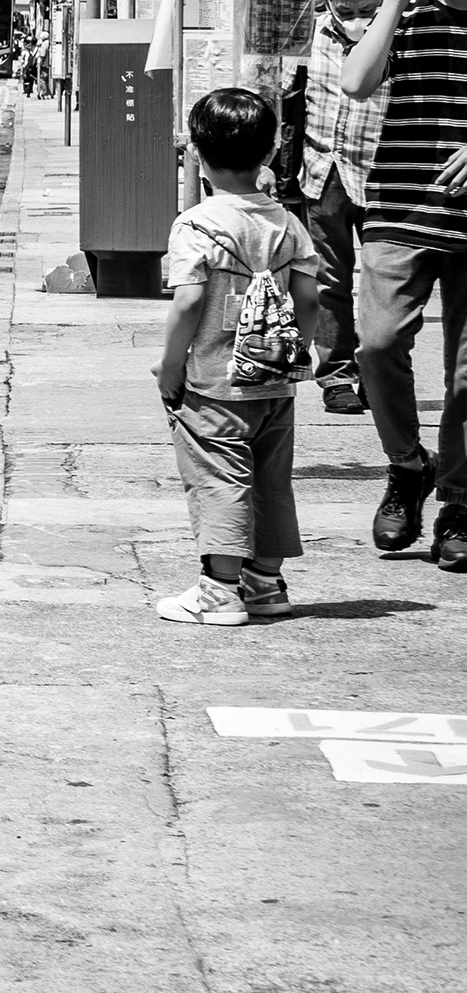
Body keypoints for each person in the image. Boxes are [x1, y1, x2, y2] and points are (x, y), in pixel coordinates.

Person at [154, 85, 317, 624]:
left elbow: (189, 301)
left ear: (197, 154)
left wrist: (172, 366)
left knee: (220, 477)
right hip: (275, 381)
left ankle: (220, 593)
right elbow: (310, 297)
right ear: (269, 153)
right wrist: (294, 353)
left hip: (214, 383)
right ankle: (265, 586)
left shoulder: (197, 224)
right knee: (272, 481)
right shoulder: (287, 223)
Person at [342, 0, 467, 568]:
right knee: (377, 343)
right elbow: (358, 82)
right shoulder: (407, 12)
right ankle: (406, 463)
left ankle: (458, 503)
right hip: (398, 204)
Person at [293, 0, 390, 415]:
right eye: (346, 12)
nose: (356, 20)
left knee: (385, 282)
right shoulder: (309, 35)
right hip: (324, 172)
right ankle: (335, 376)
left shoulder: (399, 33)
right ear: (330, 4)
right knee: (330, 280)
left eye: (366, 11)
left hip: (385, 173)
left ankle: (381, 374)